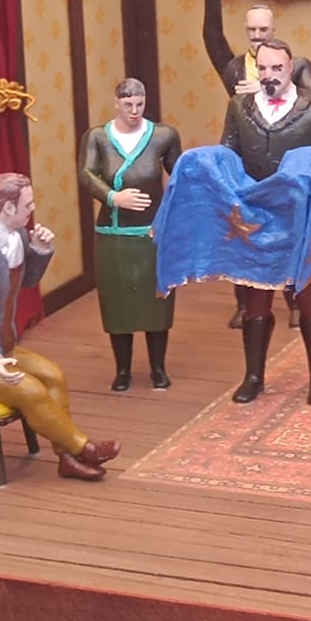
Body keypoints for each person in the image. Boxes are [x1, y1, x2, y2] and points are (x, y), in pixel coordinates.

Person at [0, 172, 119, 481]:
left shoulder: (18, 237)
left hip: (5, 345)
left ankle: (67, 459)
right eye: (28, 204)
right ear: (8, 208)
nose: (33, 209)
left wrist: (38, 249)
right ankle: (85, 448)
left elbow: (25, 283)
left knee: (54, 376)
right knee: (31, 390)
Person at [222, 38, 311, 406]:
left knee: (309, 299)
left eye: (277, 68)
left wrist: (310, 161)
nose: (269, 75)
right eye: (262, 68)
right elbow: (228, 149)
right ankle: (254, 375)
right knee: (256, 301)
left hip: (300, 215)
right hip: (256, 216)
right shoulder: (240, 107)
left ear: (291, 68)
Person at [202, 0, 311, 330]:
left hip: (285, 164)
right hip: (246, 163)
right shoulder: (236, 67)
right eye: (251, 31)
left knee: (289, 234)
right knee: (243, 234)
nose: (256, 36)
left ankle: (296, 302)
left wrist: (270, 85)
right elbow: (212, 40)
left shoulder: (295, 66)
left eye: (263, 30)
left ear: (274, 30)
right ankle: (245, 304)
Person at [79, 78, 183, 392]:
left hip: (152, 233)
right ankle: (122, 369)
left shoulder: (163, 136)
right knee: (117, 304)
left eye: (139, 104)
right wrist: (113, 197)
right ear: (116, 103)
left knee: (157, 302)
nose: (134, 111)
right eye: (128, 105)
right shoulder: (97, 137)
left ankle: (158, 368)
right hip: (114, 234)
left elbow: (180, 176)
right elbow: (86, 174)